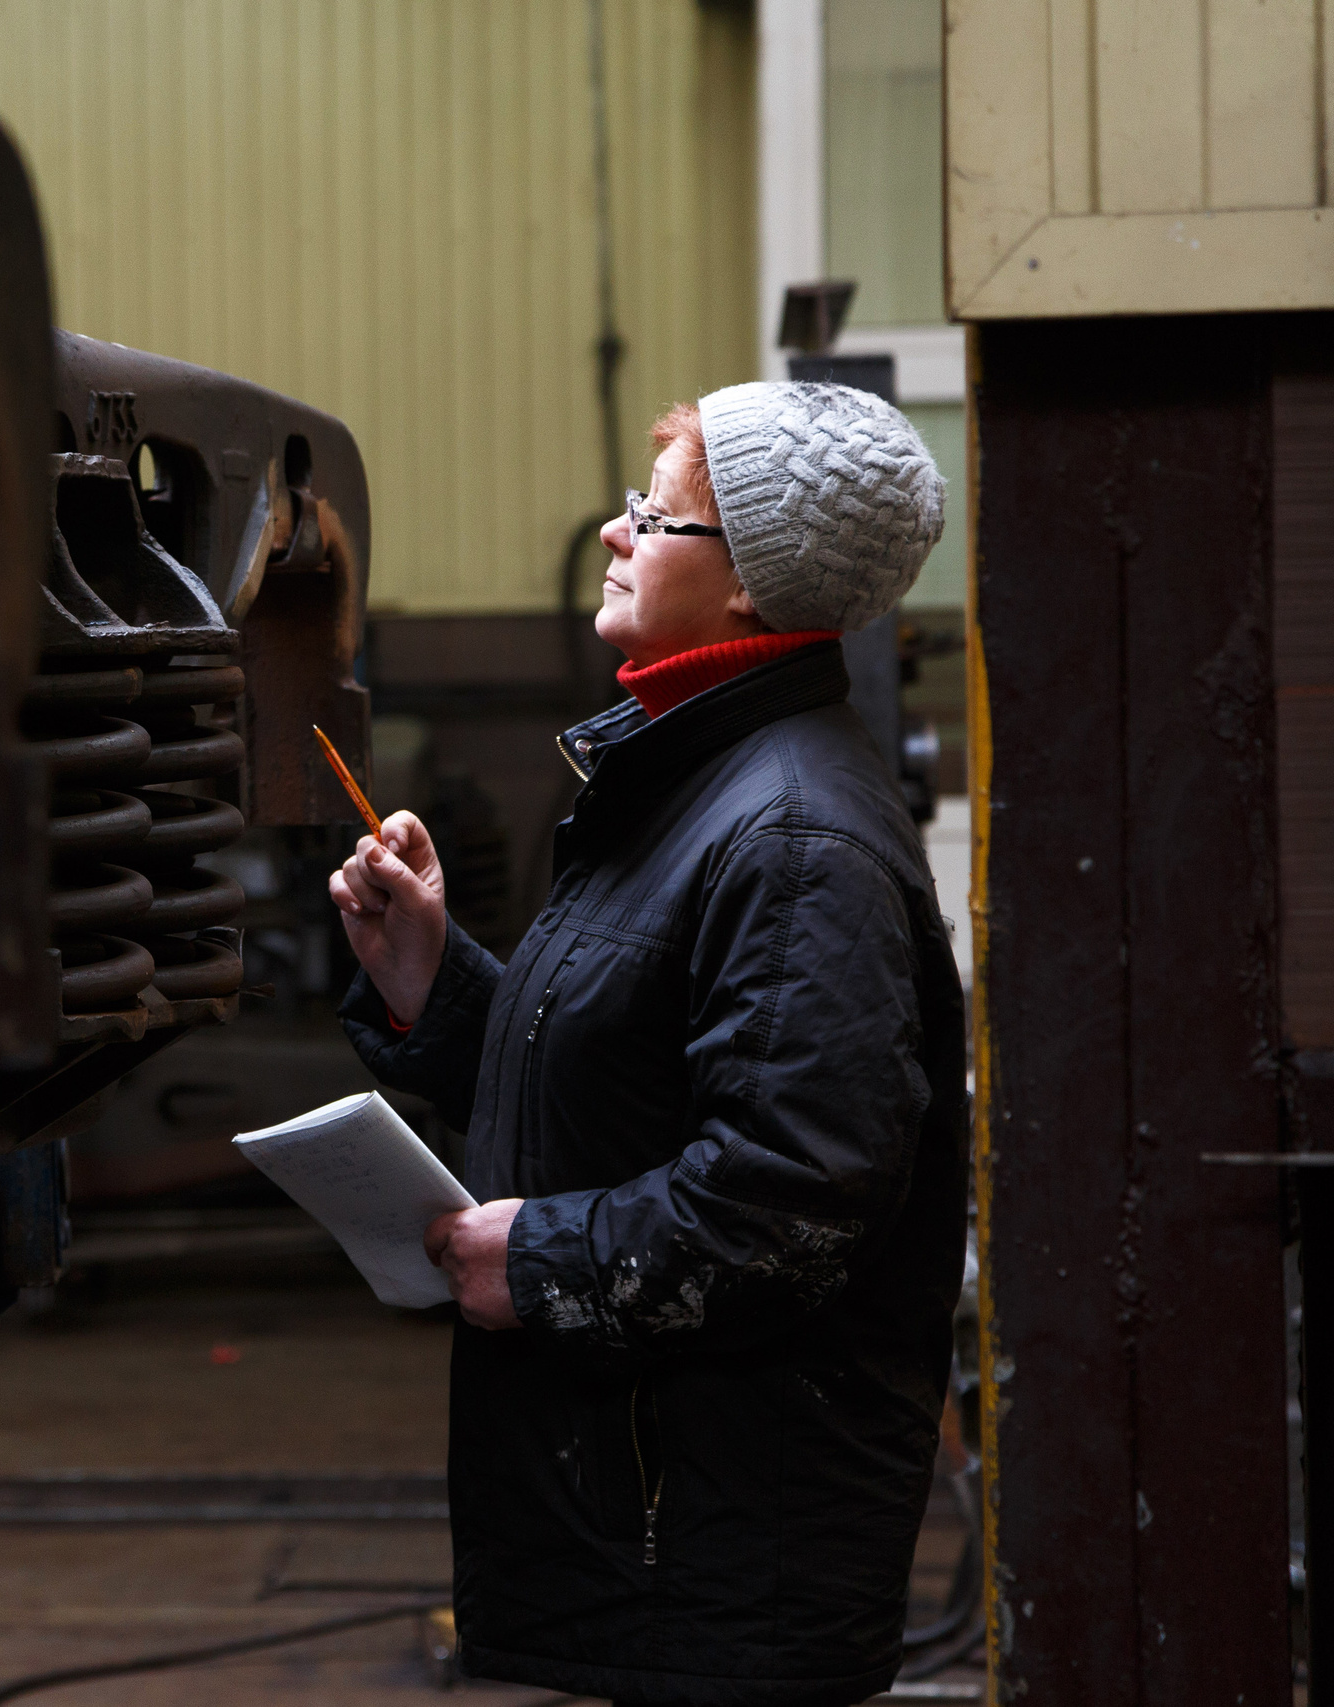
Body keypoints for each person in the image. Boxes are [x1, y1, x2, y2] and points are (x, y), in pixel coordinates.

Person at [330, 383, 965, 1707]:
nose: (615, 536)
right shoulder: (692, 778)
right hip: (664, 1511)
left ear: (750, 587)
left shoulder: (794, 839)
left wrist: (543, 1262)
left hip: (727, 1538)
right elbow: (626, 1085)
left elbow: (788, 1199)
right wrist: (435, 983)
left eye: (652, 515)